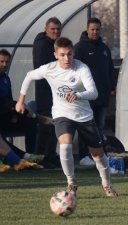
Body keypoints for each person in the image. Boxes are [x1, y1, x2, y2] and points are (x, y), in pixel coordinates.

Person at [16, 37, 117, 197]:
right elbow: (29, 76)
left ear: (73, 53)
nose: (66, 58)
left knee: (98, 155)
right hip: (62, 114)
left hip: (84, 116)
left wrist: (78, 95)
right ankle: (71, 182)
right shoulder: (49, 69)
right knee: (65, 145)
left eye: (69, 54)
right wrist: (21, 100)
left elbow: (94, 92)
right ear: (55, 54)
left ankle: (107, 184)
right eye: (62, 55)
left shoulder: (81, 68)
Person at [74, 17, 117, 166]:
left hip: (103, 95)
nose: (95, 32)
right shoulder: (79, 48)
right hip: (86, 95)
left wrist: (112, 86)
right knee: (86, 126)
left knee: (99, 125)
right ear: (87, 29)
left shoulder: (104, 48)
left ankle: (96, 155)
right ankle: (83, 155)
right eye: (92, 29)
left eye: (97, 29)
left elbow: (110, 69)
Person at [0, 49, 48, 162]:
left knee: (30, 123)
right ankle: (21, 158)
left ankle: (32, 155)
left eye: (7, 62)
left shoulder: (6, 78)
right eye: (1, 61)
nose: (4, 64)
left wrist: (14, 114)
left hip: (6, 115)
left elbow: (9, 98)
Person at [32, 17, 62, 169]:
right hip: (45, 93)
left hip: (55, 93)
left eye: (58, 29)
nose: (56, 31)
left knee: (54, 125)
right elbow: (42, 68)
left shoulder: (54, 45)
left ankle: (50, 155)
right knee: (46, 125)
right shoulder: (42, 45)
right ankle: (41, 156)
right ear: (46, 29)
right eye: (53, 29)